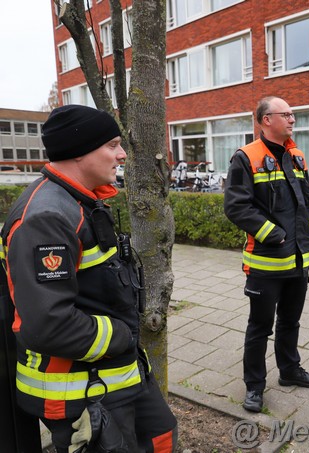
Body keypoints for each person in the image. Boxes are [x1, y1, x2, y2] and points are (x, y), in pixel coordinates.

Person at [0, 105, 177, 452]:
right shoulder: (47, 218)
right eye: (112, 145)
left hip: (113, 375)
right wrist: (123, 336)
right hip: (83, 391)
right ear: (79, 152)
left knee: (161, 435)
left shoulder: (78, 202)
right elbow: (48, 325)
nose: (122, 154)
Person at [224, 96, 309, 413]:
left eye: (293, 114)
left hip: (299, 261)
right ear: (266, 120)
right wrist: (274, 234)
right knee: (259, 327)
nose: (292, 119)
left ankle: (290, 371)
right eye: (286, 114)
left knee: (290, 322)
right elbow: (236, 206)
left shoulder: (297, 156)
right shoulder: (246, 157)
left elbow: (307, 199)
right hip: (266, 264)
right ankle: (254, 387)